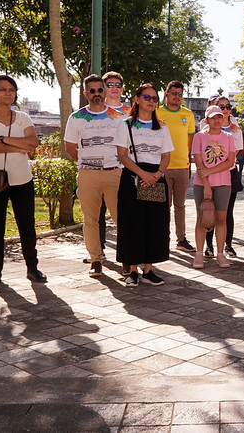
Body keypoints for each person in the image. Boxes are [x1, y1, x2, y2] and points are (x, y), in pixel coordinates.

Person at [0, 75, 47, 287]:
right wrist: (21, 146)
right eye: (3, 89)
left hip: (22, 179)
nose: (8, 93)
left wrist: (4, 139)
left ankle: (32, 268)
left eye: (12, 90)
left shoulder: (24, 117)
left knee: (27, 226)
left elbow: (34, 143)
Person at [64, 74, 125, 278]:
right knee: (90, 220)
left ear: (105, 91)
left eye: (100, 90)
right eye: (93, 91)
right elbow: (70, 147)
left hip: (115, 174)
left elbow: (126, 146)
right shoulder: (76, 118)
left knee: (121, 219)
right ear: (85, 94)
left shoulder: (119, 117)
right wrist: (87, 163)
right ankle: (95, 260)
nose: (97, 94)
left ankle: (126, 259)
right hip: (88, 175)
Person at [113, 83, 174, 287]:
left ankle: (148, 270)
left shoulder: (162, 127)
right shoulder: (126, 124)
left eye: (155, 99)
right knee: (132, 225)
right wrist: (143, 174)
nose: (151, 101)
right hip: (133, 178)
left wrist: (157, 174)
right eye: (147, 97)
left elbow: (166, 156)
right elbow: (122, 155)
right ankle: (131, 271)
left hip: (156, 178)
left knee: (155, 224)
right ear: (137, 99)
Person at [191, 106, 236, 269]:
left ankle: (220, 253)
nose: (217, 121)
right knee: (202, 218)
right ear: (207, 120)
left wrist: (210, 171)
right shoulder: (199, 137)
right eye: (213, 118)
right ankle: (199, 254)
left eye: (219, 117)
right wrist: (207, 185)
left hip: (224, 183)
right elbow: (198, 162)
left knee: (221, 219)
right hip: (201, 184)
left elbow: (230, 162)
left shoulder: (229, 137)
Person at [156, 81, 196, 253]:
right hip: (161, 168)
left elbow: (190, 142)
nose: (177, 96)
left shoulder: (188, 114)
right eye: (173, 93)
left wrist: (188, 164)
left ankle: (181, 239)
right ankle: (162, 238)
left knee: (180, 206)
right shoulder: (157, 112)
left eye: (180, 94)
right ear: (166, 94)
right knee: (163, 206)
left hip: (182, 167)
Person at [204, 96, 242, 258]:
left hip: (230, 172)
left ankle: (228, 244)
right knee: (209, 210)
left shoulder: (235, 130)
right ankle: (209, 245)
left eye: (228, 107)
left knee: (227, 211)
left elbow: (237, 151)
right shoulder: (205, 128)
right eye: (221, 107)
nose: (225, 110)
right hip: (210, 172)